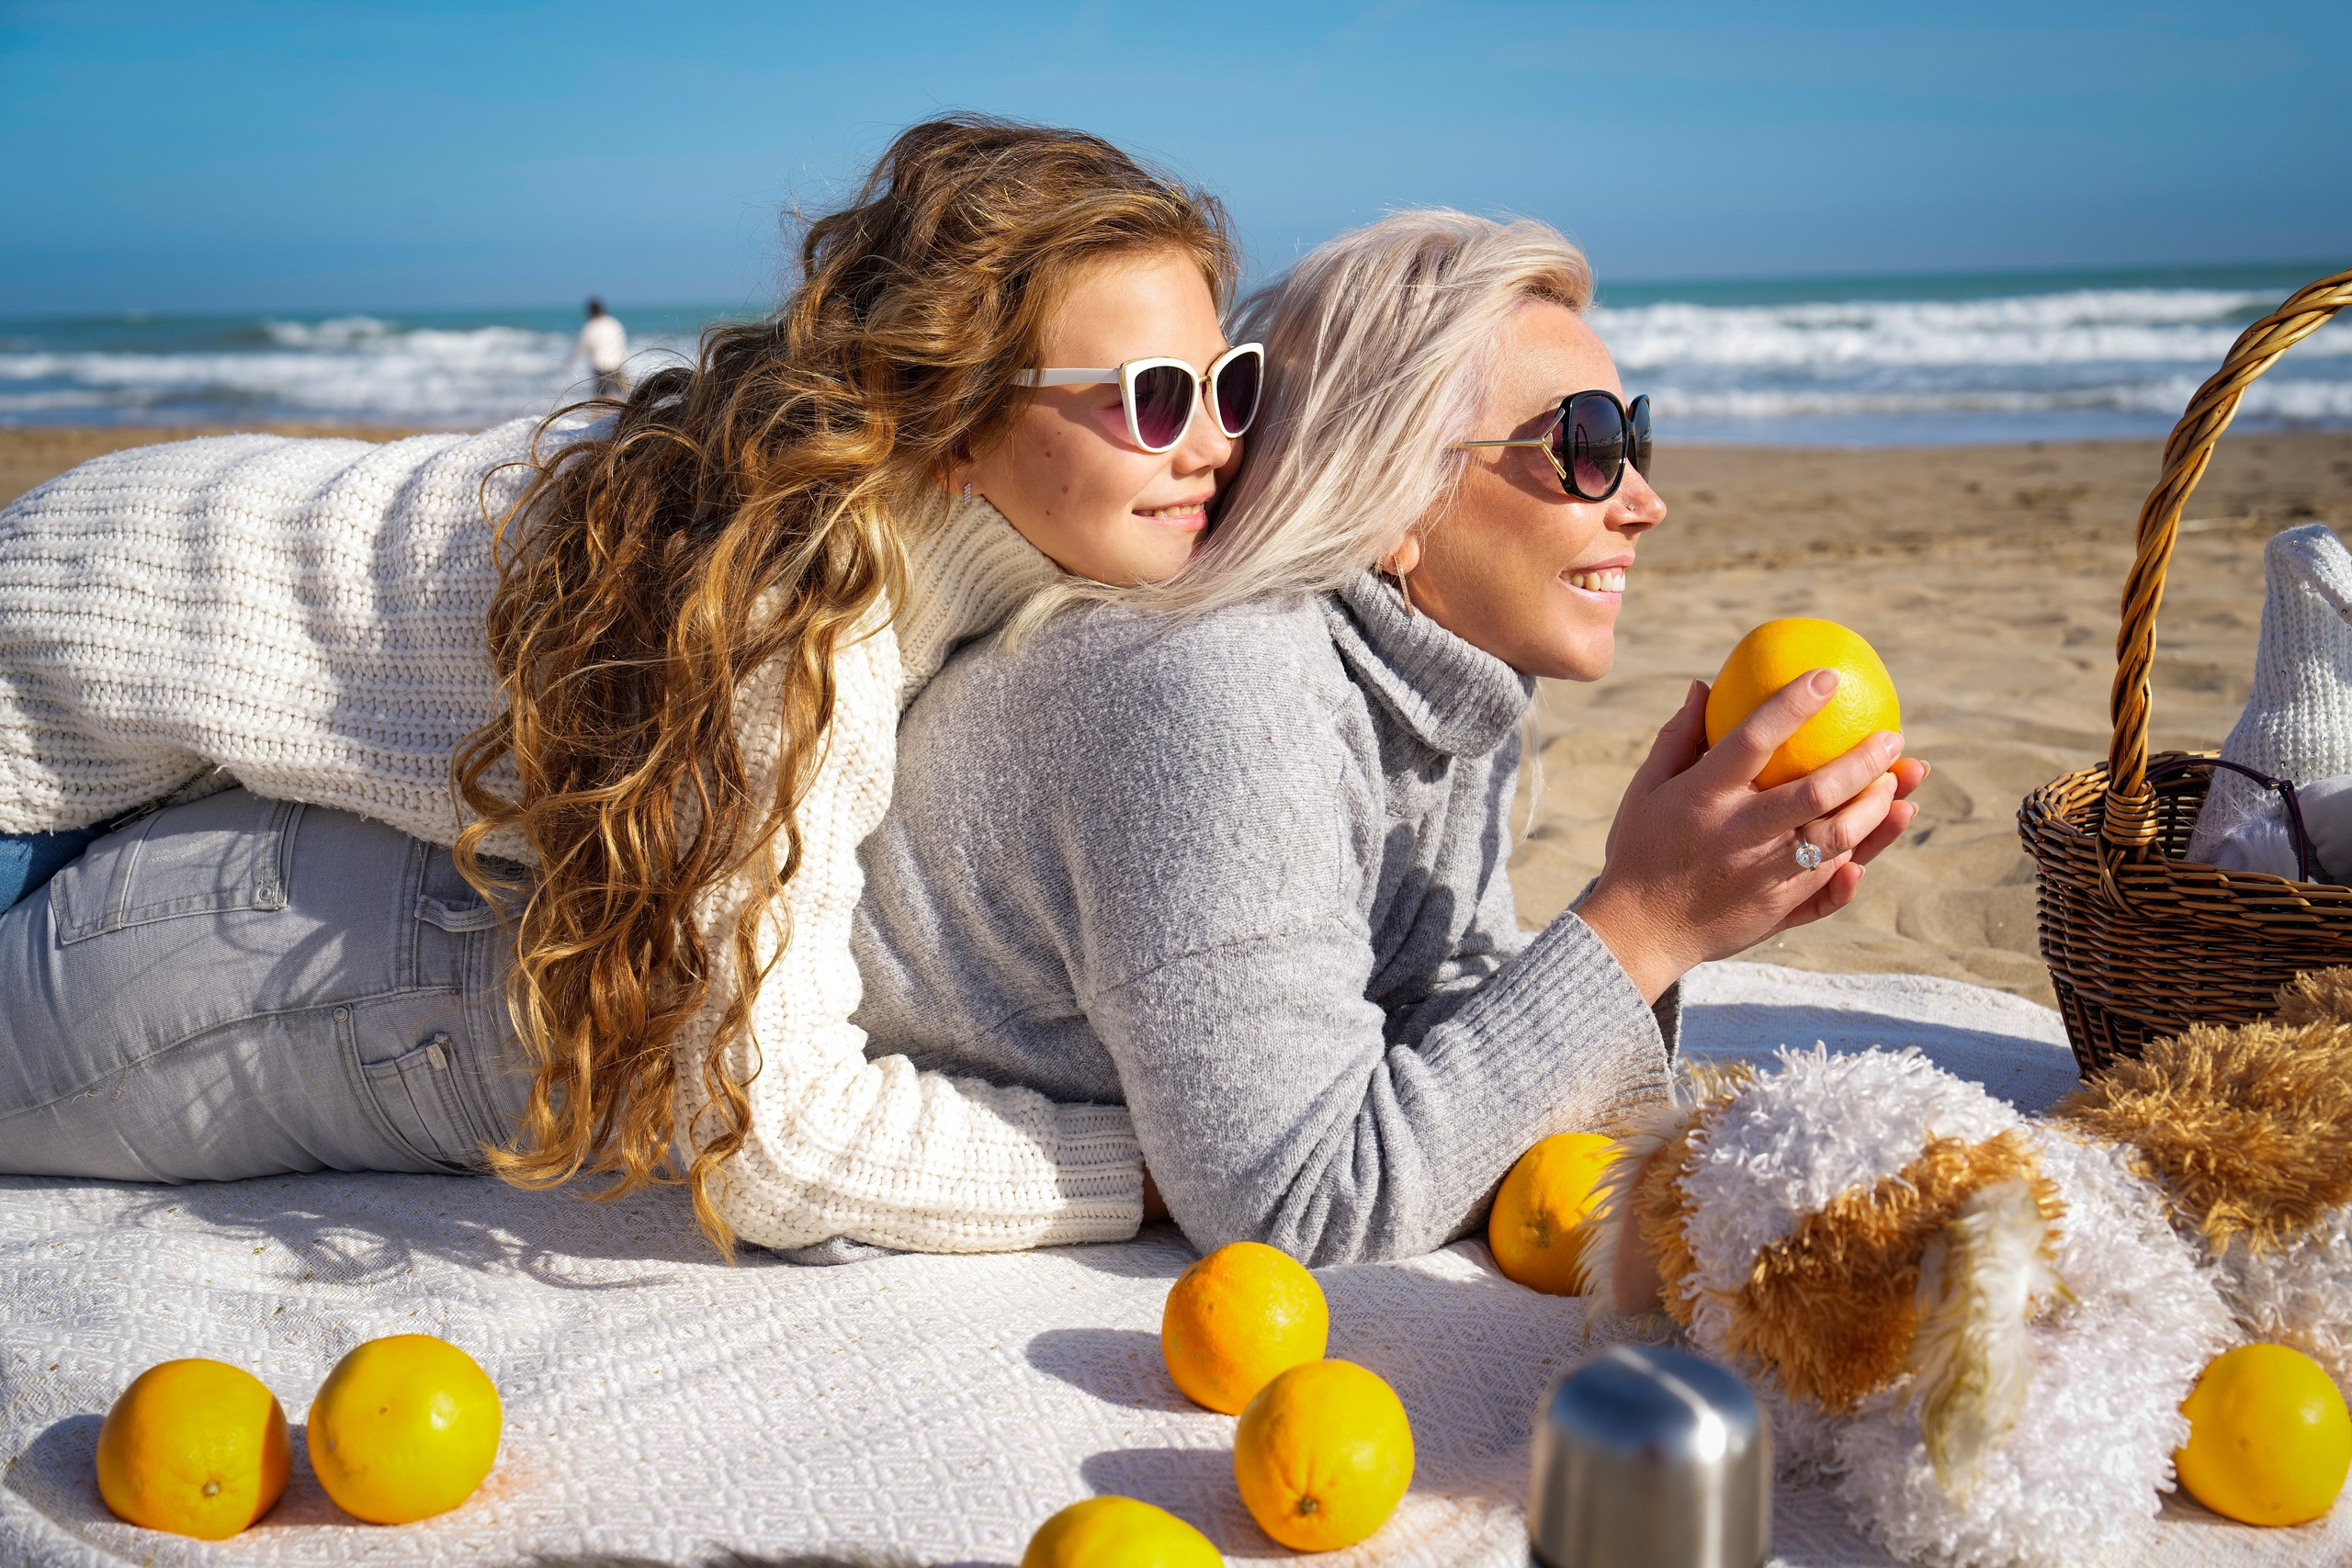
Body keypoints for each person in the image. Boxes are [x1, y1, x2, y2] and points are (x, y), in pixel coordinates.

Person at [0, 117, 1251, 1258]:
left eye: (1229, 382)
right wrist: (1145, 1173)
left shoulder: (929, 532)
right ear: (956, 421)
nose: (1211, 444)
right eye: (1151, 398)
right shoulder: (797, 604)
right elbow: (771, 1137)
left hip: (156, 680)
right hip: (49, 683)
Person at [852, 210, 1926, 1266]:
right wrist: (1646, 922)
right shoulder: (1220, 690)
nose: (1644, 500)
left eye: (1628, 435)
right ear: (1392, 499)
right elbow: (1298, 1205)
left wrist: (1697, 891)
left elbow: (1429, 1007)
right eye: (1583, 444)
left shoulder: (1447, 667)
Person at [573, 298, 629, 400]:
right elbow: (622, 344)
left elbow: (580, 348)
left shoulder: (590, 326)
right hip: (617, 364)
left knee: (602, 397)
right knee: (618, 395)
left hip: (600, 366)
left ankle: (601, 415)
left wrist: (569, 363)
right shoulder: (614, 323)